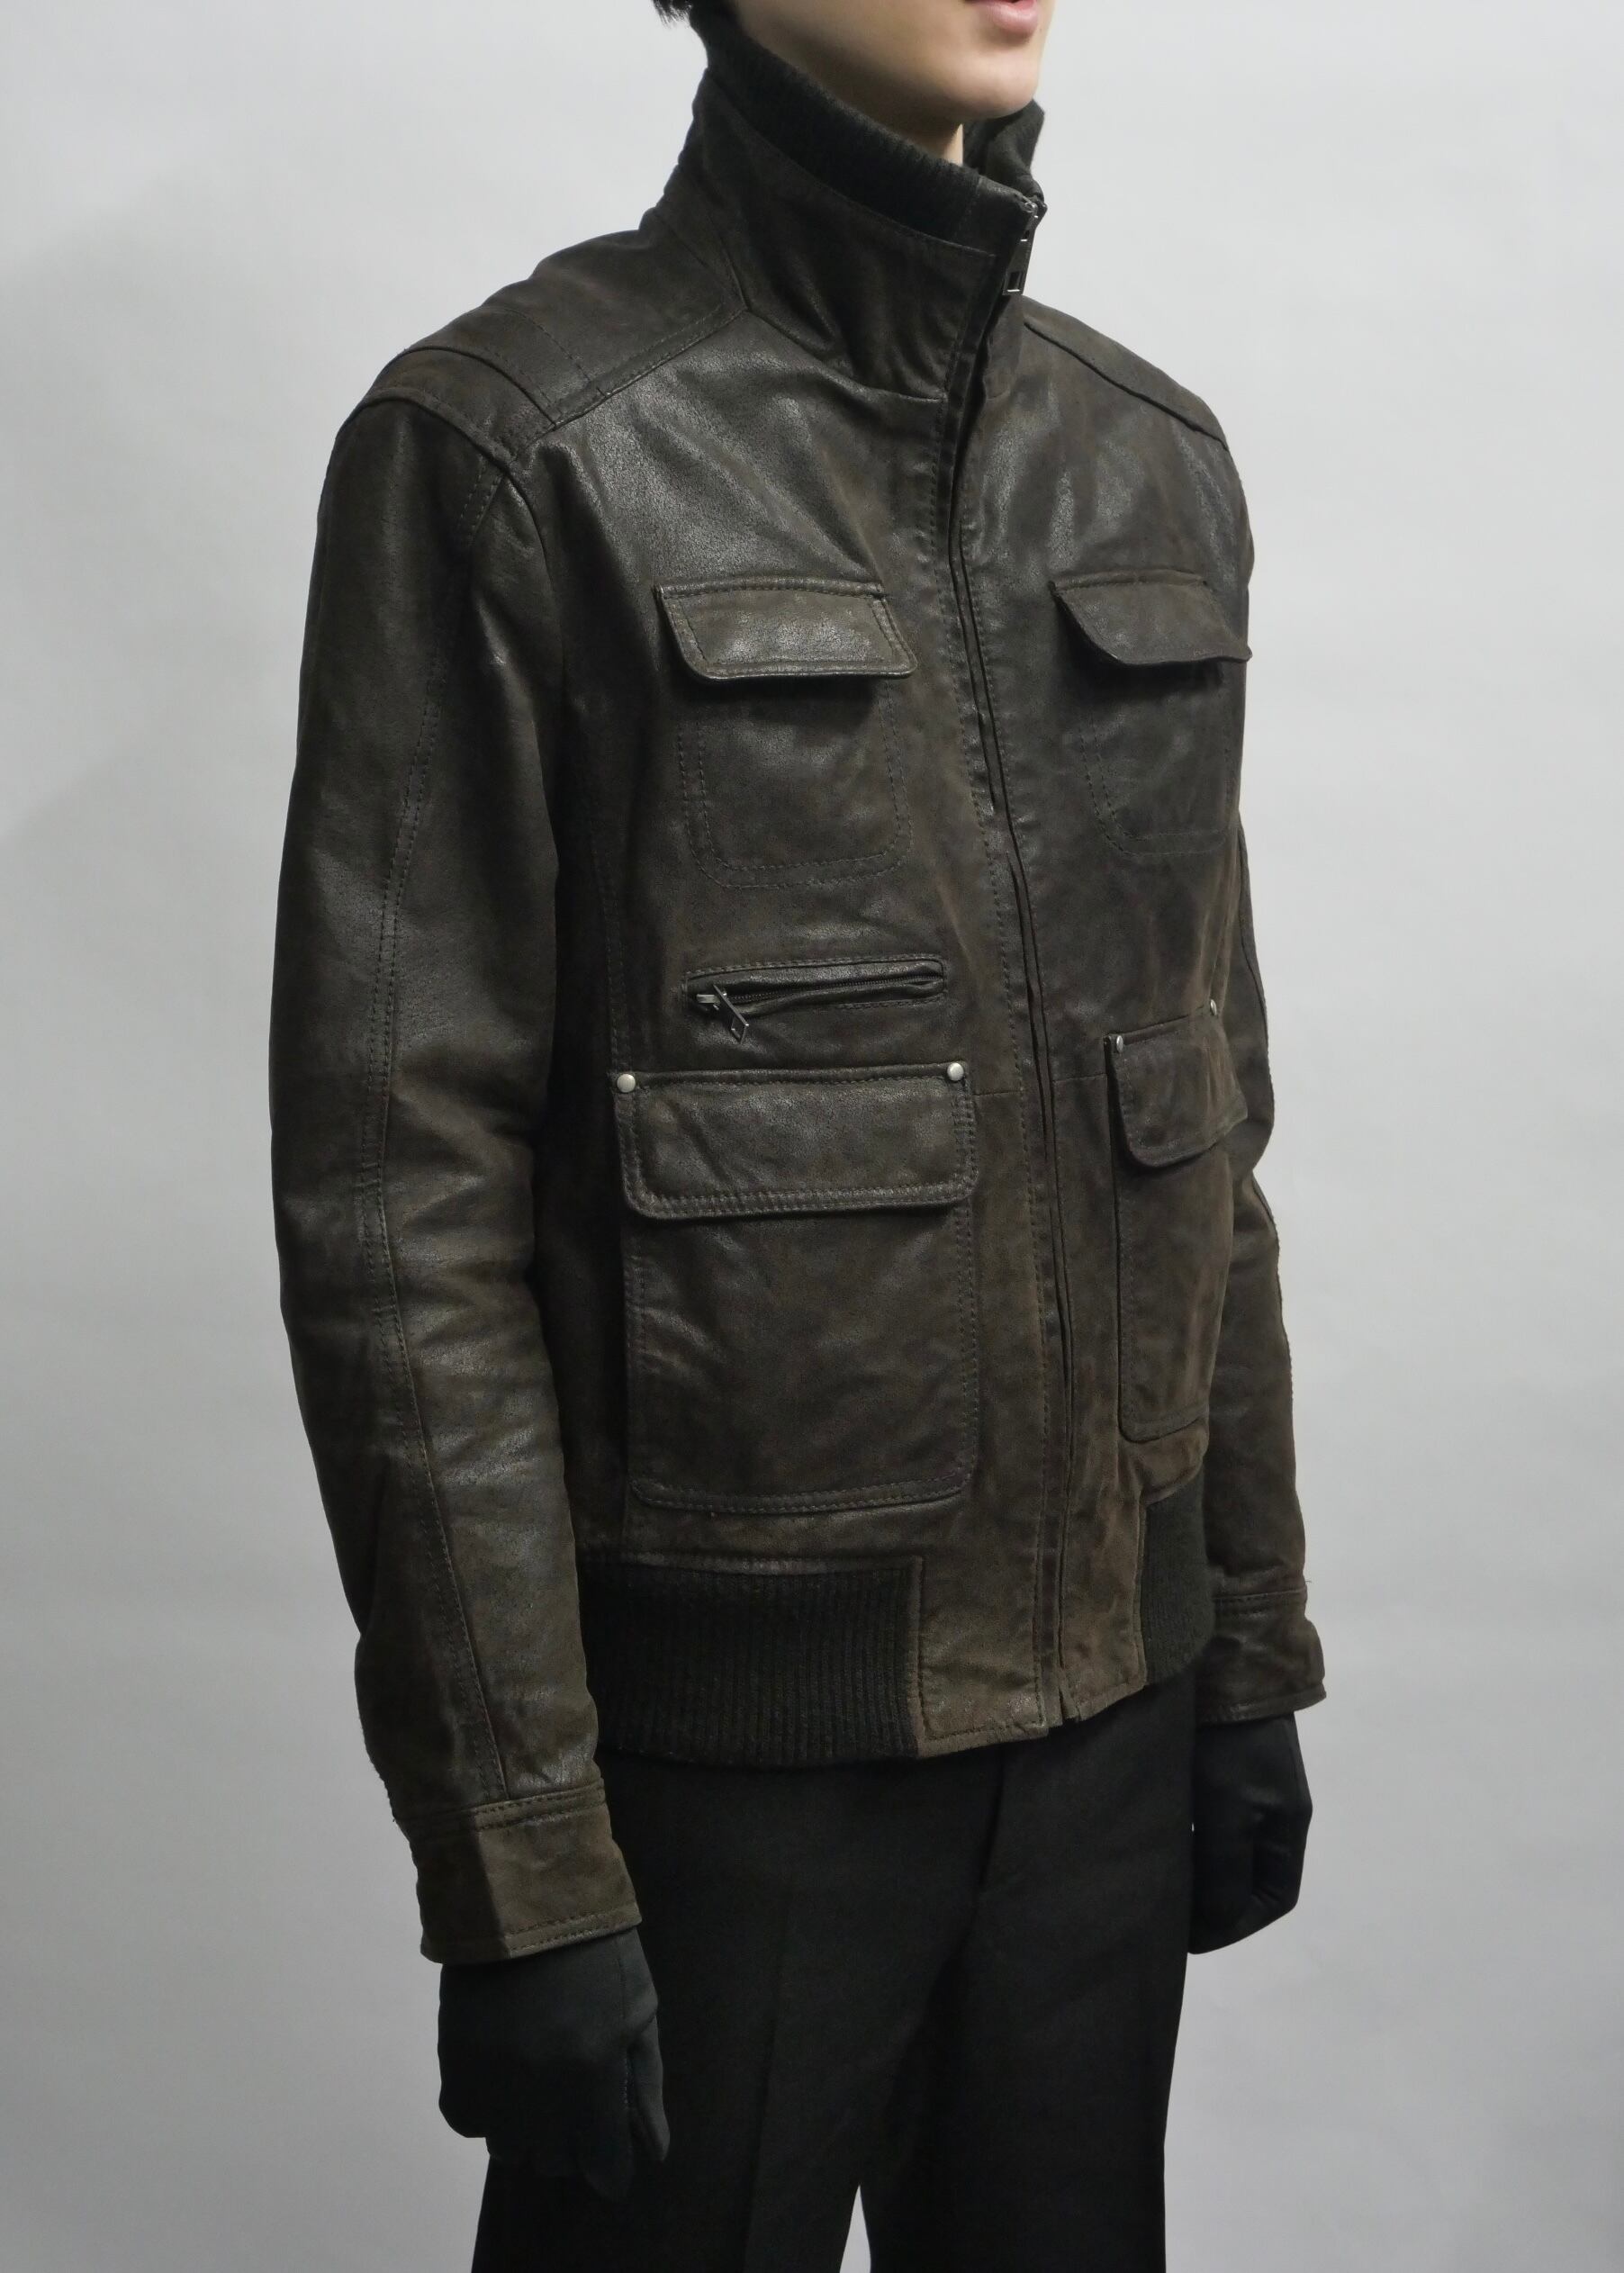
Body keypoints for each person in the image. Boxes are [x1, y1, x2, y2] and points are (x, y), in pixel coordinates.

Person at [268, 0, 1326, 2264]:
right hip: (719, 1783)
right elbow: (395, 1217)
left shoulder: (1145, 460)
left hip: (1105, 1739)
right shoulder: (517, 449)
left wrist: (1243, 1645)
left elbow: (1195, 1112)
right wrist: (522, 1865)